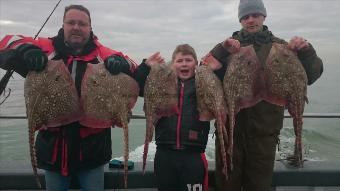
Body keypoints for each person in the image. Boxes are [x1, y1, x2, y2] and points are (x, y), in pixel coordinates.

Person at [0, 5, 137, 191]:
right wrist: (27, 50)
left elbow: (132, 64)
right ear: (63, 25)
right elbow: (8, 41)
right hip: (53, 149)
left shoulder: (101, 54)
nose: (76, 27)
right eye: (71, 22)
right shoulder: (45, 47)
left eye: (82, 23)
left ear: (90, 27)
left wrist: (121, 63)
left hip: (92, 150)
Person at [201, 0, 324, 190]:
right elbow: (203, 72)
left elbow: (312, 75)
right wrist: (220, 50)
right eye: (245, 17)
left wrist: (307, 52)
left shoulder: (281, 47)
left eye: (255, 15)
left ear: (263, 16)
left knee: (259, 186)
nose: (250, 20)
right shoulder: (228, 47)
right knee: (227, 184)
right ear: (240, 20)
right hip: (229, 132)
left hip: (264, 134)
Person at [134, 44, 210, 191]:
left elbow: (221, 79)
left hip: (193, 154)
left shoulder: (203, 83)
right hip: (165, 153)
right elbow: (138, 87)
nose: (184, 64)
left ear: (196, 64)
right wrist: (145, 66)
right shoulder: (160, 82)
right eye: (179, 61)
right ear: (173, 64)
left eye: (188, 60)